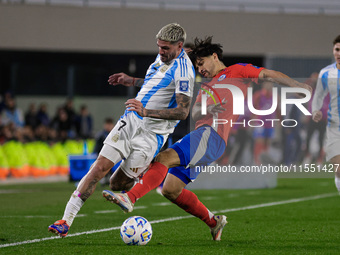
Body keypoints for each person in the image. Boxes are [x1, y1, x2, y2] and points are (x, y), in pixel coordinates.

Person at [102, 36, 312, 241]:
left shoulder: (237, 71)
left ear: (214, 56)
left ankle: (130, 197)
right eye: (197, 66)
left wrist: (296, 85)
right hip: (203, 135)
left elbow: (268, 74)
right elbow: (194, 115)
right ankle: (214, 222)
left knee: (163, 158)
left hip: (212, 136)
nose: (200, 69)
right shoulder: (206, 86)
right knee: (170, 190)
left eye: (201, 63)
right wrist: (208, 107)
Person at [48, 23, 195, 237]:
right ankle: (65, 221)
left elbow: (182, 112)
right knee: (99, 168)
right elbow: (158, 83)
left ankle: (143, 171)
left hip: (153, 135)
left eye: (165, 48)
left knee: (118, 184)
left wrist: (146, 111)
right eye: (159, 47)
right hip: (131, 120)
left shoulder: (185, 72)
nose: (160, 52)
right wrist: (131, 80)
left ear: (179, 46)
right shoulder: (163, 58)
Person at [312, 34, 340, 192]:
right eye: (337, 49)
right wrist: (315, 110)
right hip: (334, 126)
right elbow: (318, 95)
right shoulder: (326, 73)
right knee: (338, 169)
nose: (339, 53)